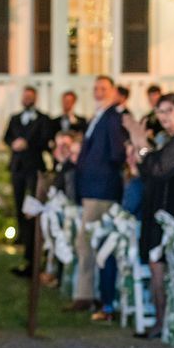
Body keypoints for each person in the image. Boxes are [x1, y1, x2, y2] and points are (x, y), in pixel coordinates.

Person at [124, 93, 174, 336]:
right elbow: (150, 169)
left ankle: (165, 321)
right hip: (160, 208)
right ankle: (163, 320)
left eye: (168, 111)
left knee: (161, 265)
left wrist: (142, 144)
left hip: (173, 210)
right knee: (156, 264)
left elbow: (158, 168)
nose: (163, 118)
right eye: (159, 112)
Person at [72, 75, 126, 313]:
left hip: (102, 188)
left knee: (88, 242)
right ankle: (88, 294)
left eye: (104, 88)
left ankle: (88, 296)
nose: (99, 92)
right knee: (86, 242)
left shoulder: (113, 117)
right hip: (92, 187)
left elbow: (117, 153)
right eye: (96, 88)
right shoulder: (100, 116)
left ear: (114, 91)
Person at [4, 86, 52, 276]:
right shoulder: (15, 118)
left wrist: (28, 144)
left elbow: (46, 140)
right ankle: (24, 248)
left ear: (35, 98)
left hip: (34, 169)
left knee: (32, 210)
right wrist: (13, 143)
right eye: (25, 96)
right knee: (19, 207)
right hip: (17, 168)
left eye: (30, 96)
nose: (27, 99)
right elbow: (7, 137)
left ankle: (33, 255)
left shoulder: (43, 119)